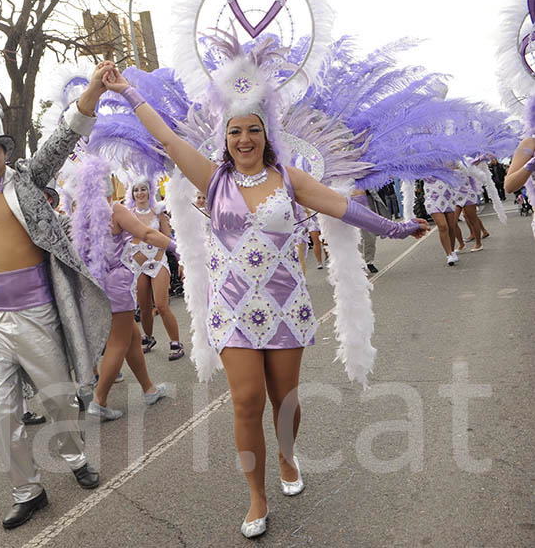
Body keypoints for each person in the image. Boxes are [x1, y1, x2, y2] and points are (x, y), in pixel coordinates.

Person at [102, 64, 427, 538]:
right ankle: (257, 494)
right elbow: (168, 140)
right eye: (235, 132)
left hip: (285, 305)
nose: (244, 139)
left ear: (267, 135)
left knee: (287, 400)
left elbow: (343, 207)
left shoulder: (289, 179)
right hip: (233, 309)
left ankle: (287, 455)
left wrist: (397, 228)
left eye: (253, 130)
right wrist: (127, 91)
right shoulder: (213, 180)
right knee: (247, 401)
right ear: (225, 138)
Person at [0, 64, 112, 528]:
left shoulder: (25, 181)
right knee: (3, 411)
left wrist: (94, 92)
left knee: (58, 400)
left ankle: (77, 459)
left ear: (5, 150)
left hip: (37, 314)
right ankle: (28, 489)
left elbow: (62, 139)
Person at [71, 157, 172, 421]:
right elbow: (147, 234)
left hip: (96, 283)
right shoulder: (114, 210)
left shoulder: (81, 216)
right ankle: (99, 400)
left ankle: (149, 389)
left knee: (133, 338)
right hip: (116, 282)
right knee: (118, 341)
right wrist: (176, 248)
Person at [123, 177, 185, 360]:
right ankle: (149, 338)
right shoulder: (128, 215)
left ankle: (176, 343)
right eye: (136, 190)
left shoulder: (158, 213)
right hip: (138, 266)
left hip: (158, 262)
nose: (140, 193)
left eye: (144, 189)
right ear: (132, 194)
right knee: (143, 307)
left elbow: (169, 239)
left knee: (161, 304)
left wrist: (180, 260)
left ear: (150, 192)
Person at [423, 178, 463, 265]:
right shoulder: (422, 165)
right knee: (442, 226)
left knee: (451, 227)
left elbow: (458, 166)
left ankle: (452, 251)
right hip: (432, 199)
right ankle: (448, 255)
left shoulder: (445, 163)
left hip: (448, 197)